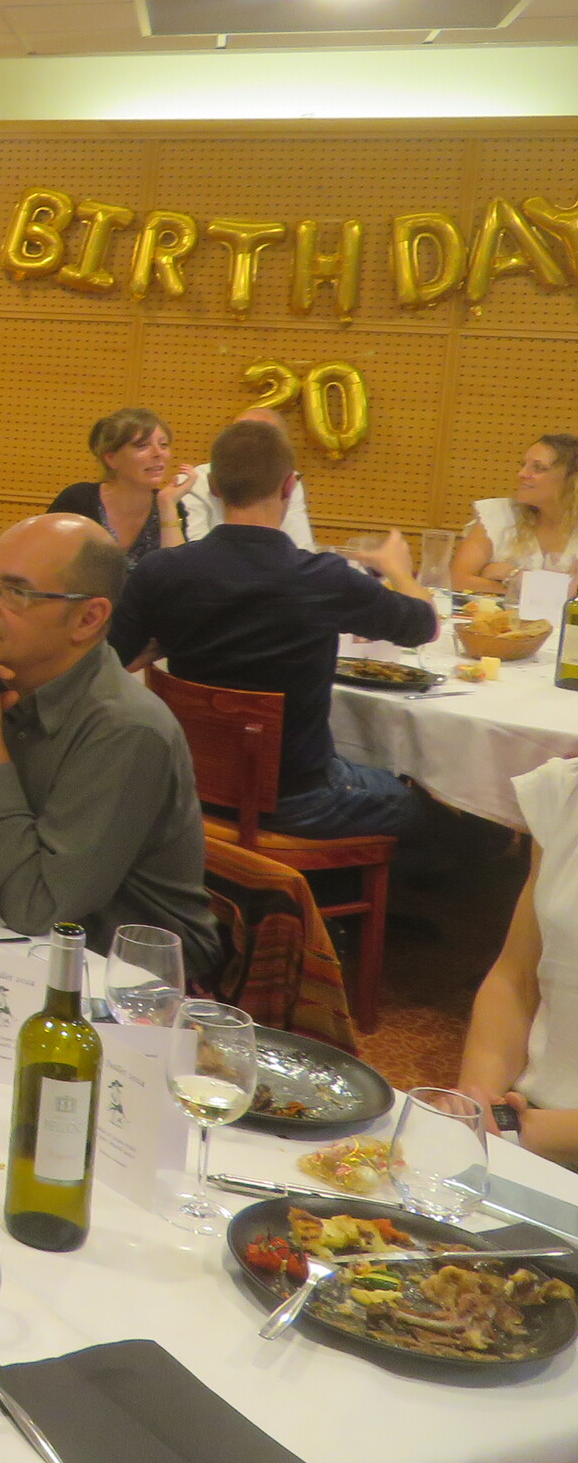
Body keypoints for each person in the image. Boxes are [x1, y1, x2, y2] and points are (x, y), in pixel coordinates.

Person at [0, 512, 220, 973]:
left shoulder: (127, 729)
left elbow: (34, 909)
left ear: (87, 618)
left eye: (15, 592)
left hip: (122, 977)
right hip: (1, 948)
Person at [111, 417, 444, 844]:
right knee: (438, 815)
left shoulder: (161, 570)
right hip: (299, 800)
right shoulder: (323, 577)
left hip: (188, 786)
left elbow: (112, 658)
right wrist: (398, 568)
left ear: (214, 488)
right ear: (289, 486)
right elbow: (424, 626)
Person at [457, 757, 578, 1168]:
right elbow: (517, 978)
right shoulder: (565, 793)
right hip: (526, 1125)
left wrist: (525, 1133)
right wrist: (478, 1103)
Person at [47, 407, 196, 568]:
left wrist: (167, 505)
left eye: (164, 445)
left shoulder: (171, 507)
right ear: (111, 458)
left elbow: (175, 574)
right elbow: (42, 561)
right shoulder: (78, 500)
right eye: (142, 446)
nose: (158, 453)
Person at [177, 404, 313, 549]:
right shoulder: (193, 480)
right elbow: (193, 549)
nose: (251, 444)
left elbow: (301, 545)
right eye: (241, 434)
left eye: (264, 438)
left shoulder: (288, 479)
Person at [452, 435, 578, 592]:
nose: (522, 474)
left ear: (572, 479)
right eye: (523, 465)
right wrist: (519, 583)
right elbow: (457, 581)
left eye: (539, 468)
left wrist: (514, 577)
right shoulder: (499, 515)